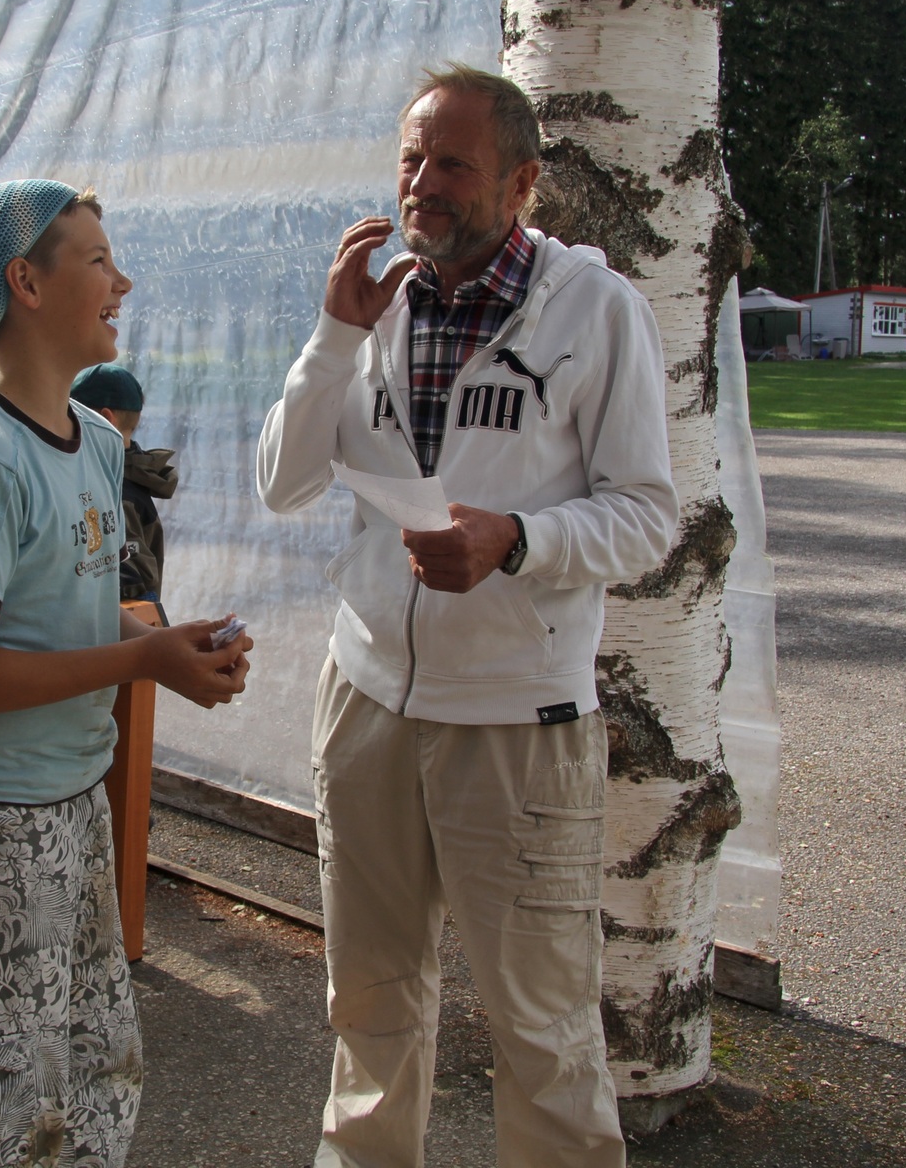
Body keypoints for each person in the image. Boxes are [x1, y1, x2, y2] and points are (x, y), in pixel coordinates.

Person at [257, 65, 677, 1167]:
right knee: (369, 1001)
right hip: (367, 703)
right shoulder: (375, 303)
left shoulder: (597, 311)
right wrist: (333, 336)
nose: (422, 183)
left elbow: (647, 518)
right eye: (411, 157)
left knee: (542, 1028)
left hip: (515, 722)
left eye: (453, 163)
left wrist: (518, 540)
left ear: (522, 182)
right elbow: (282, 484)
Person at [0, 178, 254, 1168]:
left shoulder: (95, 441)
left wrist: (167, 640)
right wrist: (142, 658)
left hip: (72, 801)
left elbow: (72, 603)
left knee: (97, 1067)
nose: (121, 282)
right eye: (98, 260)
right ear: (27, 283)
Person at [69, 363, 179, 609]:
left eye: (70, 416)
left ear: (104, 419)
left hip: (116, 623)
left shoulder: (117, 493)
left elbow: (133, 587)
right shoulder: (127, 473)